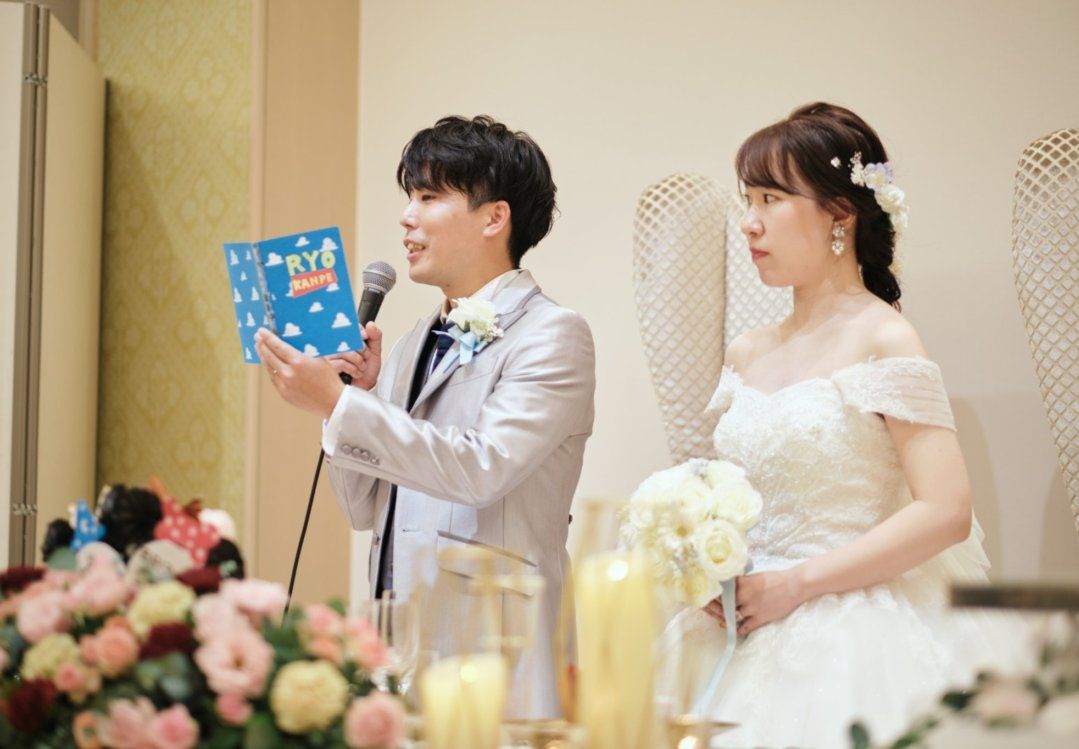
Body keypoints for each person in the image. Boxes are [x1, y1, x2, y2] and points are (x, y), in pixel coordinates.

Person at [671, 102, 1033, 747]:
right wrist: (706, 564)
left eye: (771, 199)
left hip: (850, 626)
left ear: (840, 214)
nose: (749, 222)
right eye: (747, 200)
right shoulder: (747, 351)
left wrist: (795, 585)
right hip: (737, 620)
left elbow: (947, 510)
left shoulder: (885, 338)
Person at [255, 115, 595, 717]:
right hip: (399, 650)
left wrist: (339, 404)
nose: (407, 217)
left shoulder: (552, 334)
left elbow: (482, 468)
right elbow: (363, 510)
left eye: (429, 197)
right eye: (409, 197)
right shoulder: (413, 342)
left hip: (498, 653)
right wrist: (352, 401)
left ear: (495, 217)